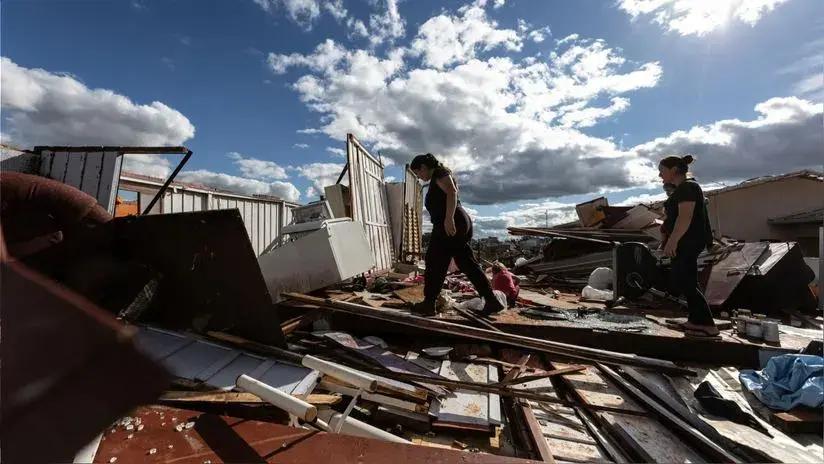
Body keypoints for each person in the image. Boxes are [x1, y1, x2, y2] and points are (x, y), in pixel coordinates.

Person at [410, 153, 504, 316]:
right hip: (454, 223)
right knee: (466, 262)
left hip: (450, 225)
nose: (419, 176)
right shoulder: (438, 176)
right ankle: (491, 301)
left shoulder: (440, 173)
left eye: (418, 173)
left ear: (424, 167)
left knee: (434, 263)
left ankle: (429, 303)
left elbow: (452, 193)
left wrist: (448, 219)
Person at [658, 155, 718, 337]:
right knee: (685, 280)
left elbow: (685, 217)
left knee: (685, 280)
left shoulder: (688, 187)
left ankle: (707, 324)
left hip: (688, 241)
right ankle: (696, 320)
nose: (660, 176)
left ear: (673, 170)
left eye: (662, 171)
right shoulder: (682, 190)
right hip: (685, 241)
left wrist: (673, 241)